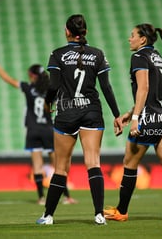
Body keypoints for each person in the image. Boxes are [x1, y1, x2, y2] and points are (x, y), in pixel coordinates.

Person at [36, 14, 122, 225]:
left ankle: (48, 216)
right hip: (92, 112)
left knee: (61, 167)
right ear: (85, 32)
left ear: (67, 31)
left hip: (66, 113)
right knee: (93, 163)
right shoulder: (98, 54)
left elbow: (54, 86)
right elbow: (106, 87)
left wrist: (47, 104)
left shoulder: (57, 54)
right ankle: (99, 215)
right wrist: (117, 114)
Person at [103, 23, 162, 223]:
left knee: (129, 162)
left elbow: (144, 88)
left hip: (149, 117)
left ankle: (122, 211)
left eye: (132, 35)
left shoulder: (138, 57)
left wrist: (135, 119)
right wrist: (130, 112)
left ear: (143, 39)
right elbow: (152, 93)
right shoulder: (157, 56)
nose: (129, 38)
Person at [0, 56, 77, 205]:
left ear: (33, 76)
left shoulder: (28, 88)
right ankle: (66, 196)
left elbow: (7, 79)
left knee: (37, 166)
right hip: (48, 130)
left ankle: (41, 197)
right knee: (58, 165)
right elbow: (56, 106)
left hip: (33, 130)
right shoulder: (50, 91)